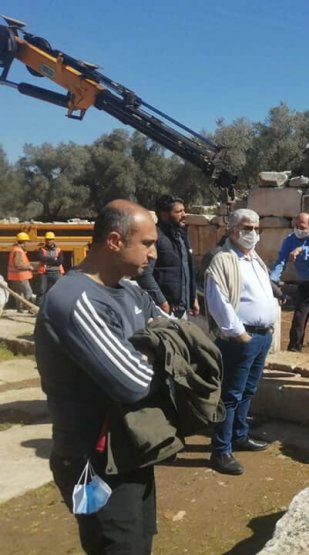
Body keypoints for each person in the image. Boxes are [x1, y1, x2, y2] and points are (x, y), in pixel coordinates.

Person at [35, 200, 163, 554]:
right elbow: (134, 383)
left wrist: (148, 351)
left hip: (132, 452)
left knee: (139, 543)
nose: (153, 254)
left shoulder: (131, 290)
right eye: (147, 243)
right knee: (114, 546)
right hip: (93, 465)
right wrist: (152, 353)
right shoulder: (75, 299)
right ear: (114, 241)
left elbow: (177, 338)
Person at [204, 208, 276, 475]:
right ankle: (221, 450)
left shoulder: (253, 258)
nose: (253, 234)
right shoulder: (222, 260)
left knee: (248, 391)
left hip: (262, 336)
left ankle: (240, 436)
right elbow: (217, 300)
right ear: (233, 230)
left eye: (256, 229)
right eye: (247, 228)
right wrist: (238, 333)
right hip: (241, 338)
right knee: (230, 395)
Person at [270, 212, 309, 355]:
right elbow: (281, 261)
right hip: (305, 284)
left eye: (302, 227)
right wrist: (272, 279)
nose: (298, 230)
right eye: (296, 226)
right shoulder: (290, 240)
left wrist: (302, 249)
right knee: (299, 318)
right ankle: (294, 348)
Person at [137, 194, 199, 319]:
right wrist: (162, 302)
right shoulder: (154, 237)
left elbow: (187, 269)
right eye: (179, 211)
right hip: (163, 311)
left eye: (184, 210)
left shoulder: (181, 235)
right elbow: (144, 273)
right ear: (164, 214)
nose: (184, 215)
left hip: (182, 311)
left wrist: (193, 297)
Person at [7, 231, 35, 311]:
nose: (27, 243)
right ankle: (31, 309)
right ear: (23, 241)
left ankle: (19, 308)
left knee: (18, 293)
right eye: (26, 241)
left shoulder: (15, 249)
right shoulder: (18, 251)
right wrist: (29, 267)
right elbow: (18, 264)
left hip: (14, 276)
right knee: (28, 292)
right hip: (21, 276)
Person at [37, 231, 65, 298]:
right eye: (47, 239)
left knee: (59, 290)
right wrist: (54, 259)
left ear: (53, 240)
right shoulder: (41, 249)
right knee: (42, 291)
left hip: (57, 273)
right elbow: (41, 258)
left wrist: (47, 261)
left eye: (50, 239)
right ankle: (41, 306)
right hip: (45, 274)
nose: (48, 241)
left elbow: (60, 261)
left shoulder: (58, 250)